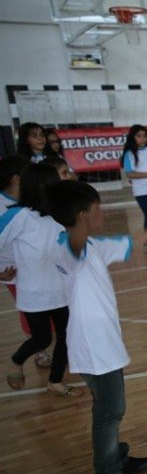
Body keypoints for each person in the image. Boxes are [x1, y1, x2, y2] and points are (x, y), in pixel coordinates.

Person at [49, 180, 147, 474]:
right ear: (82, 216)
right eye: (97, 209)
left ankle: (116, 456)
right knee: (109, 411)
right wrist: (76, 219)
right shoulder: (69, 248)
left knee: (112, 407)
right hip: (93, 347)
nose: (103, 213)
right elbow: (75, 240)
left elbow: (127, 243)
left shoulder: (93, 247)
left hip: (106, 342)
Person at [0, 163, 80, 396]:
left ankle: (55, 381)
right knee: (42, 338)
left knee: (66, 335)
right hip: (35, 292)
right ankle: (17, 359)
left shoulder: (57, 216)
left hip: (60, 289)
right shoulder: (19, 216)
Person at [0, 156, 49, 368]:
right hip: (12, 271)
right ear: (17, 179)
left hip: (39, 266)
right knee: (29, 311)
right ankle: (39, 349)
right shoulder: (3, 207)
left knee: (52, 306)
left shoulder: (33, 200)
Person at [120, 125, 147, 257]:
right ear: (133, 137)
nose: (142, 138)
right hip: (142, 191)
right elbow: (130, 174)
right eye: (139, 136)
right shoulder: (129, 154)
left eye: (144, 136)